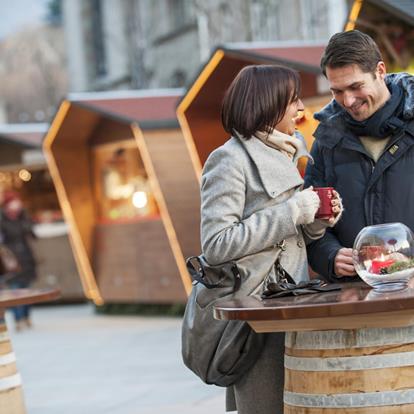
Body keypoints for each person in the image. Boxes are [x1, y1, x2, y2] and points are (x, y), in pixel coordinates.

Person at [200, 65, 342, 413]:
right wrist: (294, 210)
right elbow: (216, 244)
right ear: (268, 103)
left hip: (293, 307)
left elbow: (289, 240)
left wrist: (317, 222)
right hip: (258, 315)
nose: (300, 109)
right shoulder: (229, 159)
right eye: (293, 100)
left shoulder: (287, 151)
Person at [304, 29, 414, 281]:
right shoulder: (325, 141)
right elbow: (310, 225)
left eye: (355, 86)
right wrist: (330, 256)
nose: (348, 100)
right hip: (353, 303)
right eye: (337, 91)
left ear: (380, 71)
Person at [0, 191, 37, 331]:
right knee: (15, 290)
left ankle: (26, 317)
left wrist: (26, 221)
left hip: (26, 257)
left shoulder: (23, 216)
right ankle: (18, 319)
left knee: (27, 289)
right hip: (11, 260)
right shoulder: (2, 218)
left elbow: (32, 234)